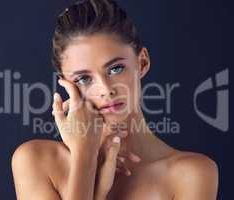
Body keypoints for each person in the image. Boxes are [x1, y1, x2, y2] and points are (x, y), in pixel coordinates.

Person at [11, 0, 219, 199]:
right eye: (84, 78)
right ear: (67, 85)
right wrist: (86, 156)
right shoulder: (35, 160)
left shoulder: (192, 174)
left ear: (142, 62)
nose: (106, 89)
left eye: (115, 68)